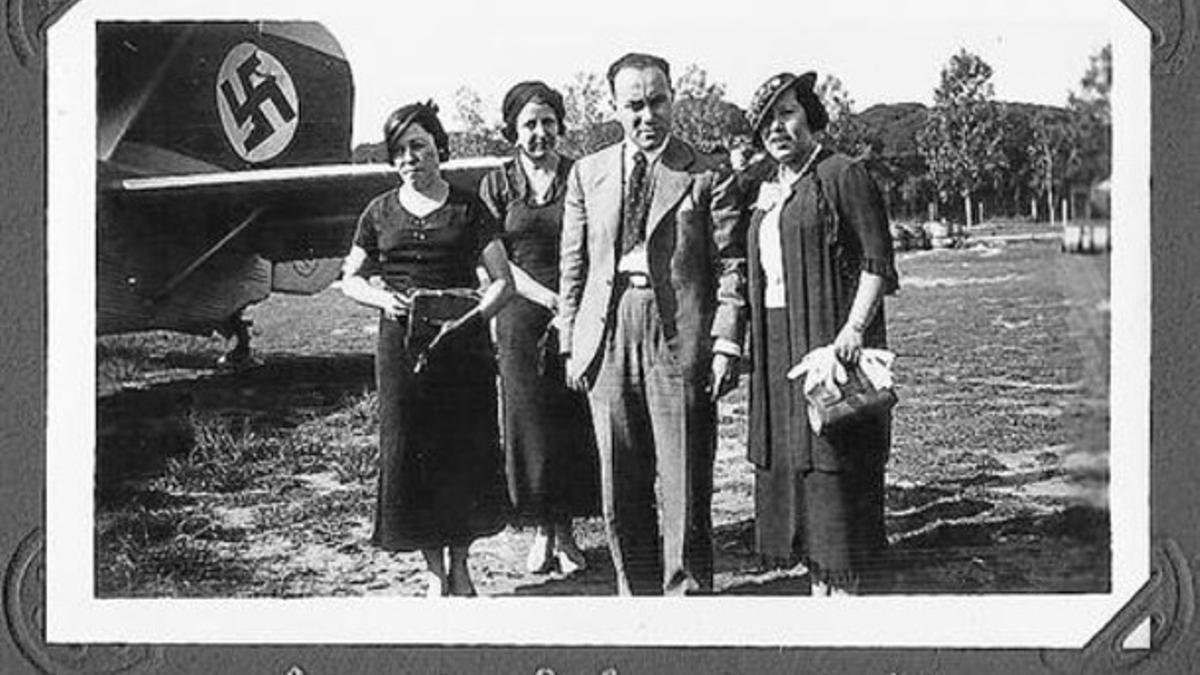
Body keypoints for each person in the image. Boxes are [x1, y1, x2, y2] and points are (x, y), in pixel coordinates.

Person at [557, 52, 746, 596]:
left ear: (673, 99)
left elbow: (731, 265)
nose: (647, 116)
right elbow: (574, 266)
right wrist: (572, 342)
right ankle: (635, 599)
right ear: (615, 108)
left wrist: (726, 343)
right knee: (621, 482)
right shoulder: (587, 174)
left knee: (685, 479)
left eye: (657, 101)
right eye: (634, 105)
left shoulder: (707, 173)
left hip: (677, 335)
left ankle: (686, 599)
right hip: (608, 331)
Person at [341, 101, 514, 597]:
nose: (409, 158)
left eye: (418, 146)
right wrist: (383, 299)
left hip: (461, 350)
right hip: (401, 350)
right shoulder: (378, 211)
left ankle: (461, 565)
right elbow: (350, 278)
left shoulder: (468, 207)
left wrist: (472, 319)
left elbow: (502, 281)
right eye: (399, 150)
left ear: (440, 146)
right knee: (411, 455)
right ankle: (435, 573)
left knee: (461, 453)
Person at [743, 72, 899, 595]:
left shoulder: (842, 173)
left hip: (828, 335)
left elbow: (877, 260)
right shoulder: (769, 184)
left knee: (832, 452)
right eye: (766, 121)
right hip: (778, 336)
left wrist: (853, 329)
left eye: (786, 113)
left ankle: (845, 581)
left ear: (808, 113)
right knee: (793, 457)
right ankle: (816, 575)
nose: (777, 128)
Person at [479, 81, 600, 575]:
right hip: (520, 311)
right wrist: (543, 297)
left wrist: (570, 304)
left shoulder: (580, 175)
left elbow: (598, 243)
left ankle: (567, 533)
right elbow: (494, 257)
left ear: (560, 126)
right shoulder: (498, 183)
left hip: (576, 312)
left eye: (548, 122)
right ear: (513, 131)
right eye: (529, 124)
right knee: (529, 424)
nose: (539, 133)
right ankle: (540, 532)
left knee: (572, 420)